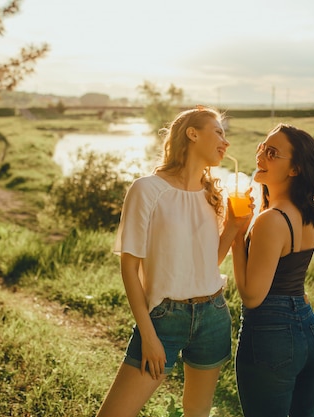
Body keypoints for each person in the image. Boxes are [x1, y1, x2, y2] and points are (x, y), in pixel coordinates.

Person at [97, 106, 251, 417]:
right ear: (192, 134)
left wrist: (234, 226)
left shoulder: (213, 195)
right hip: (164, 318)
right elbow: (129, 267)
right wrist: (149, 336)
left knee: (197, 411)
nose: (226, 141)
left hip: (213, 315)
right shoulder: (147, 190)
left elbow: (210, 263)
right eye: (219, 132)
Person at [231, 123, 314, 417]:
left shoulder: (271, 220)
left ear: (295, 169)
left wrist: (237, 236)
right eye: (262, 147)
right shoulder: (311, 212)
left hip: (271, 335)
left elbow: (252, 296)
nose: (261, 156)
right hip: (309, 329)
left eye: (272, 153)